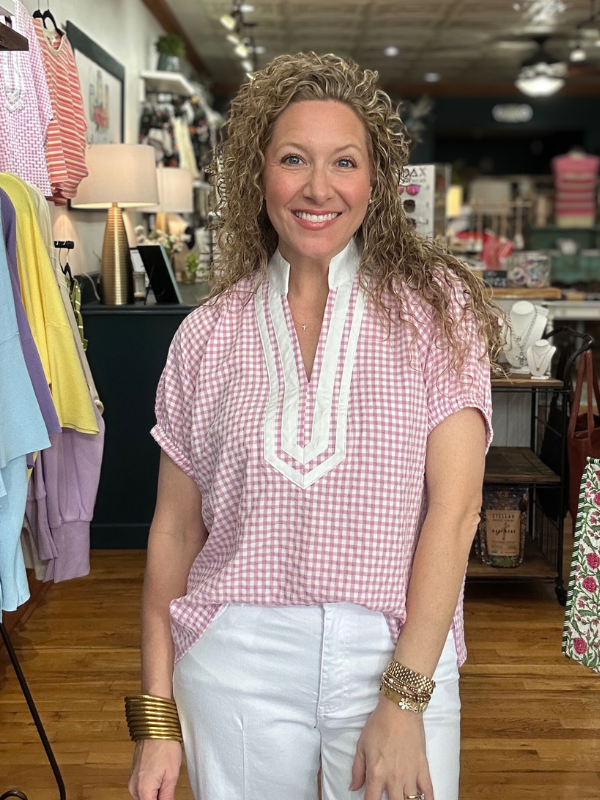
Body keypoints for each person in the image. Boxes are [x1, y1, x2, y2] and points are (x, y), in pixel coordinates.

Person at [127, 52, 504, 800]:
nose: (318, 187)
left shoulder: (436, 311)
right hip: (236, 662)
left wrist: (402, 698)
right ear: (258, 173)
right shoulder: (207, 334)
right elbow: (173, 533)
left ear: (376, 182)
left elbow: (456, 513)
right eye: (294, 159)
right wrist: (156, 722)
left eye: (345, 162)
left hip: (394, 656)